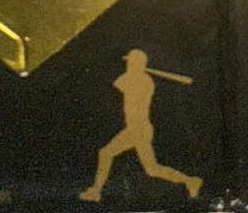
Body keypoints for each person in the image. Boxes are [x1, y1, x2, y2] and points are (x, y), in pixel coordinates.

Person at [79, 49, 203, 203]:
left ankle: (96, 191)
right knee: (150, 168)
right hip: (136, 128)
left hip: (138, 128)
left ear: (137, 64)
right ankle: (190, 181)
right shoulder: (138, 78)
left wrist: (136, 70)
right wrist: (136, 68)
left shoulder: (142, 81)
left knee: (108, 154)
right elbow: (118, 83)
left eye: (131, 62)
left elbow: (119, 83)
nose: (128, 65)